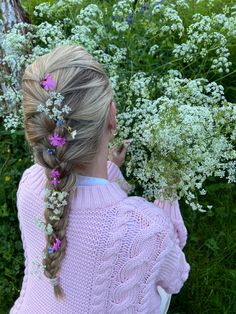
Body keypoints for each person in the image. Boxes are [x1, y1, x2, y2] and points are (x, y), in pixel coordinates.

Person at [9, 45, 190, 314]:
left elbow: (81, 210)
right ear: (112, 117)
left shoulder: (30, 184)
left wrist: (110, 169)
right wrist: (167, 199)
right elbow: (176, 277)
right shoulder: (147, 228)